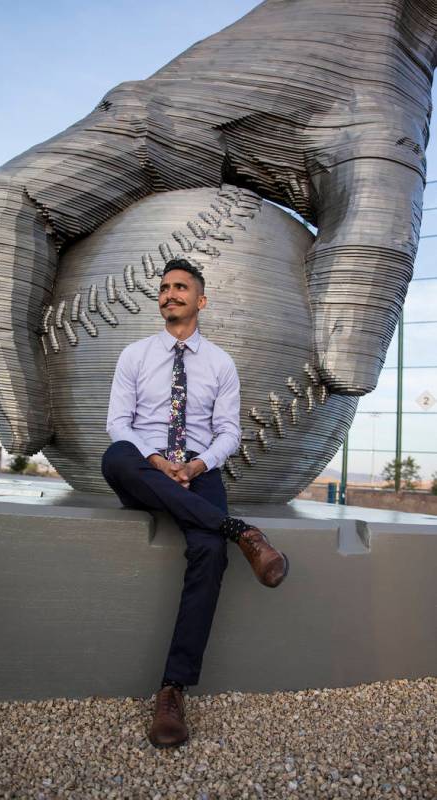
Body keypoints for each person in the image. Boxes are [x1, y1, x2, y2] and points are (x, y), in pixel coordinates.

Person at [101, 257, 289, 748]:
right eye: (164, 287)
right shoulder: (135, 356)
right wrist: (159, 461)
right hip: (146, 469)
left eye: (181, 287)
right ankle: (240, 531)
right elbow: (118, 423)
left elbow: (229, 432)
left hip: (198, 470)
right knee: (115, 457)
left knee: (208, 552)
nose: (170, 294)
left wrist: (197, 466)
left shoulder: (220, 363)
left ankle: (173, 690)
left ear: (200, 300)